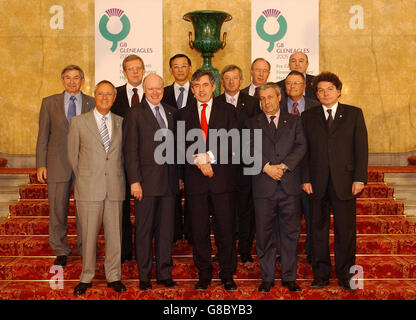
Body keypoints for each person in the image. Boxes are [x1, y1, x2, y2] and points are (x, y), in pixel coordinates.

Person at [301, 72, 368, 290]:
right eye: (320, 90)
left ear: (339, 91)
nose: (325, 93)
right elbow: (304, 151)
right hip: (317, 183)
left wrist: (360, 178)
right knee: (318, 230)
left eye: (329, 88)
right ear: (316, 93)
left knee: (345, 232)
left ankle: (346, 275)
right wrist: (306, 178)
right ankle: (321, 274)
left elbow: (361, 149)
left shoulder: (354, 114)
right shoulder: (308, 116)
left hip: (346, 182)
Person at [177, 70, 238, 291]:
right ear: (192, 89)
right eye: (196, 86)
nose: (201, 89)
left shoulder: (229, 110)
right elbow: (178, 145)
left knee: (226, 230)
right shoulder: (182, 114)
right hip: (196, 182)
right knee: (199, 230)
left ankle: (227, 273)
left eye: (205, 85)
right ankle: (204, 273)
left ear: (214, 87)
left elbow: (234, 142)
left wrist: (209, 158)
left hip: (222, 181)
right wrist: (198, 161)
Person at [245, 82, 306, 293]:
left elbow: (301, 146)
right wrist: (266, 168)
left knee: (290, 233)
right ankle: (267, 277)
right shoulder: (252, 122)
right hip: (263, 187)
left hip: (289, 186)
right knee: (264, 234)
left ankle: (289, 277)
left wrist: (284, 166)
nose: (266, 102)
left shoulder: (295, 120)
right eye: (262, 98)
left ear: (279, 98)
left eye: (269, 97)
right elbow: (248, 148)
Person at [68, 80, 126, 295]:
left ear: (114, 98)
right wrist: (87, 177)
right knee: (88, 236)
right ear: (94, 95)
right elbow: (72, 157)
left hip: (114, 187)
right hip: (89, 187)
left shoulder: (121, 122)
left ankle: (114, 276)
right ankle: (86, 276)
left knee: (115, 236)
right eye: (101, 93)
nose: (104, 98)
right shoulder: (78, 122)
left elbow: (120, 156)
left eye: (109, 94)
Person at [124, 73, 179, 291]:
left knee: (166, 231)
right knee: (144, 231)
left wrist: (180, 178)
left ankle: (165, 274)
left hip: (168, 184)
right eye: (151, 89)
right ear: (144, 90)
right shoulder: (135, 114)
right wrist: (134, 181)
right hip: (145, 185)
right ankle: (144, 276)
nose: (156, 92)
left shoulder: (171, 112)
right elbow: (130, 151)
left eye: (159, 88)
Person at [36, 65, 95, 267]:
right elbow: (43, 135)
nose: (72, 81)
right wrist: (41, 164)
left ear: (83, 80)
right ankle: (60, 249)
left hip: (85, 166)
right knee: (57, 210)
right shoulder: (49, 103)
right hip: (56, 164)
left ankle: (84, 248)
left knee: (85, 211)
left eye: (76, 78)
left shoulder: (92, 103)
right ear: (62, 80)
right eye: (68, 78)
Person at [215, 64, 260, 264]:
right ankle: (223, 250)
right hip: (221, 166)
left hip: (245, 165)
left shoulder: (253, 103)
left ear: (241, 81)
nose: (231, 81)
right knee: (221, 210)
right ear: (221, 82)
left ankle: (244, 249)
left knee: (245, 209)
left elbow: (256, 133)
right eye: (227, 78)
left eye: (235, 78)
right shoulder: (214, 102)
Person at [279, 70, 320, 264]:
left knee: (313, 216)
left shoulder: (316, 107)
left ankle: (312, 253)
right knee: (286, 218)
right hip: (285, 171)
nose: (292, 87)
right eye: (288, 84)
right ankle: (286, 254)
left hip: (311, 171)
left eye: (297, 83)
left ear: (305, 87)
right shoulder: (276, 106)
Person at [111, 54, 146, 263]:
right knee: (121, 210)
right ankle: (125, 252)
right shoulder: (115, 96)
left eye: (138, 68)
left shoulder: (155, 93)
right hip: (122, 163)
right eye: (130, 68)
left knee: (147, 211)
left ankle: (146, 251)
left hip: (149, 165)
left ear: (143, 70)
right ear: (124, 72)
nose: (135, 72)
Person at [161, 53, 196, 244]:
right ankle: (173, 233)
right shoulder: (162, 92)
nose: (180, 69)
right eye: (176, 66)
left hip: (194, 151)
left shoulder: (199, 91)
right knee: (171, 194)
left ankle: (191, 233)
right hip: (169, 152)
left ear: (190, 68)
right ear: (170, 70)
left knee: (193, 194)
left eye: (184, 66)